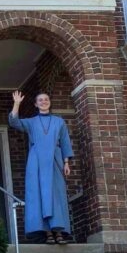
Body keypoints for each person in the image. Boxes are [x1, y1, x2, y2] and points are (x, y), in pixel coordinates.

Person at [9, 90, 74, 244]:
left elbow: (65, 142)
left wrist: (66, 163)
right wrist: (17, 104)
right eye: (40, 100)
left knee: (56, 195)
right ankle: (47, 233)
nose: (44, 102)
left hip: (55, 160)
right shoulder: (31, 122)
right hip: (36, 161)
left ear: (49, 103)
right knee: (39, 195)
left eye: (46, 99)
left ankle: (59, 232)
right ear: (36, 104)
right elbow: (14, 122)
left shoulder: (59, 121)